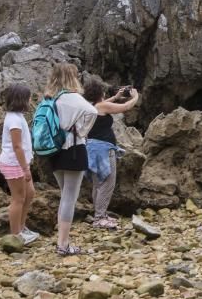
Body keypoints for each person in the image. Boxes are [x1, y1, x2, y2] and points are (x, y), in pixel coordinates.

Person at [42, 63, 97, 256]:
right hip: (73, 149)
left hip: (54, 150)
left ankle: (63, 241)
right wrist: (82, 130)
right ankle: (63, 244)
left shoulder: (50, 97)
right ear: (72, 77)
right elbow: (93, 111)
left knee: (64, 194)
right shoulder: (73, 97)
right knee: (69, 197)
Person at [83, 80, 139, 229]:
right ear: (100, 93)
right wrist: (135, 97)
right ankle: (100, 217)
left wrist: (115, 97)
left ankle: (99, 214)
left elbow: (104, 105)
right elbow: (125, 107)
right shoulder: (102, 106)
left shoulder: (91, 107)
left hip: (92, 148)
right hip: (103, 149)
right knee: (107, 183)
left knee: (98, 183)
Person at [0, 83, 39, 245]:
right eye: (29, 98)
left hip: (19, 163)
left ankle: (21, 227)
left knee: (30, 193)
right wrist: (25, 168)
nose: (30, 100)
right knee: (18, 199)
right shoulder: (14, 119)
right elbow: (17, 146)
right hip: (14, 164)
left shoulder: (17, 116)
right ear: (22, 100)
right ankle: (16, 234)